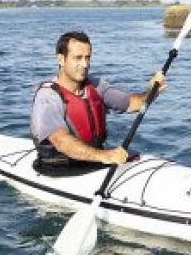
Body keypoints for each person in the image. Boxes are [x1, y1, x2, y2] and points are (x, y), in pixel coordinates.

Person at [30, 30, 166, 174]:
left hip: (94, 163)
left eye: (87, 58)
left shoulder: (96, 86)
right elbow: (61, 141)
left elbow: (133, 104)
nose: (85, 64)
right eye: (78, 58)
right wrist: (106, 156)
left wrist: (152, 91)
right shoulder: (48, 97)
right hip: (60, 169)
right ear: (61, 60)